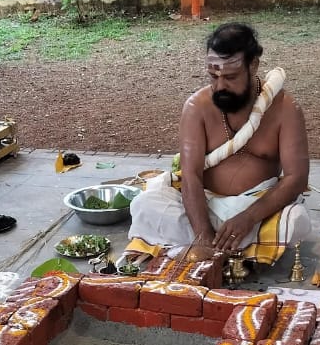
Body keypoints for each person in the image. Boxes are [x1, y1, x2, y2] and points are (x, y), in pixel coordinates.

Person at [127, 21, 310, 264]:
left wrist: (248, 218)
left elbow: (296, 178)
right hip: (203, 204)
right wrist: (203, 235)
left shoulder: (285, 109)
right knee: (145, 204)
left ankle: (197, 247)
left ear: (253, 65)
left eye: (231, 77)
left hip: (257, 207)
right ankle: (220, 249)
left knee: (294, 220)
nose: (220, 86)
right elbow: (191, 175)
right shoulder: (197, 107)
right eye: (213, 76)